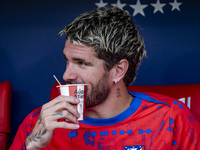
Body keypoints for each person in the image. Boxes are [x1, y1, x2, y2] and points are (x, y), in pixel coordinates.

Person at [10, 6, 200, 150]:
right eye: (67, 61)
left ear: (118, 70)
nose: (66, 75)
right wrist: (32, 146)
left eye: (82, 63)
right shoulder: (40, 122)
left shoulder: (172, 118)